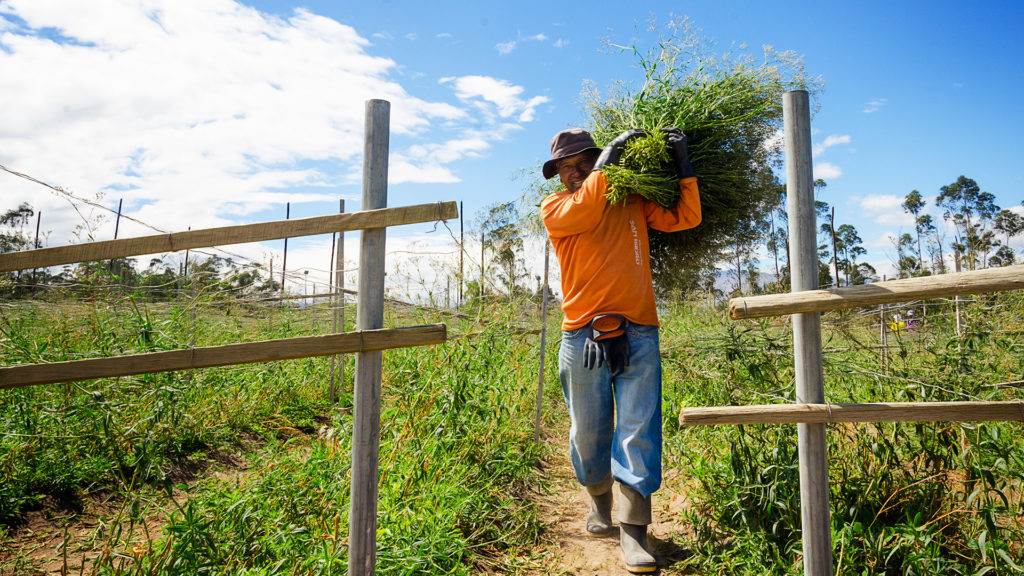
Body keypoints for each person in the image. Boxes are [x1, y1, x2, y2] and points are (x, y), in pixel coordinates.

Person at [540, 127, 701, 573]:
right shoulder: (556, 209)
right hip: (582, 336)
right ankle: (598, 502)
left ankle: (634, 532)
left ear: (596, 160)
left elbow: (685, 217)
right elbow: (589, 203)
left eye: (582, 163)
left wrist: (683, 164)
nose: (573, 173)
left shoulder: (630, 200)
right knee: (588, 433)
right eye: (565, 168)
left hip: (639, 331)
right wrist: (609, 157)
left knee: (637, 429)